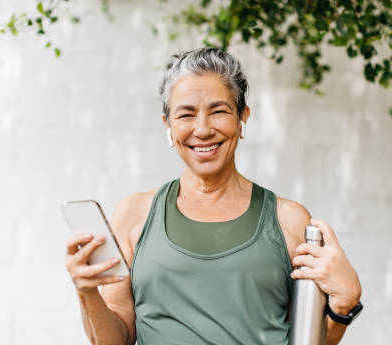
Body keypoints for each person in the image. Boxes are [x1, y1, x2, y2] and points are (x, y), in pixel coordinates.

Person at [64, 47, 362, 345]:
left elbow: (308, 341)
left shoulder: (290, 220)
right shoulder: (133, 216)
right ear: (168, 124)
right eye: (186, 114)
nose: (203, 129)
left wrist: (344, 304)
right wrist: (86, 291)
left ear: (242, 116)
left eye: (219, 111)